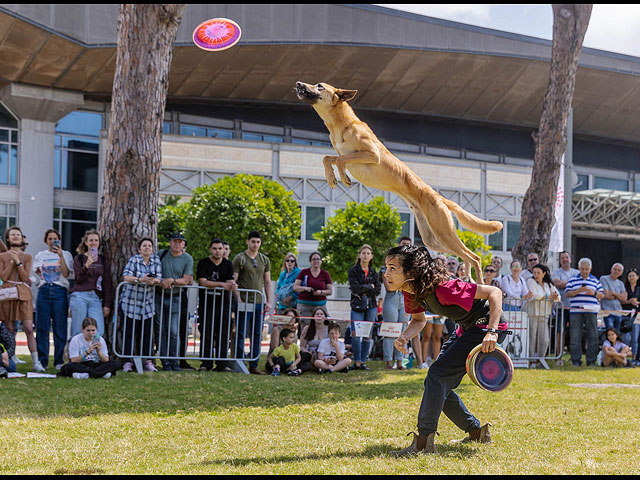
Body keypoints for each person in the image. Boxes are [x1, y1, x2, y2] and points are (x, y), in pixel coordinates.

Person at [385, 245, 507, 455]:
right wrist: (405, 336)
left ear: (411, 272)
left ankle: (423, 442)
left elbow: (494, 293)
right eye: (386, 267)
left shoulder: (445, 287)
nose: (386, 273)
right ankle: (478, 432)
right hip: (467, 328)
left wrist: (492, 332)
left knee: (436, 376)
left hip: (486, 328)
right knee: (438, 384)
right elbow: (418, 320)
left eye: (393, 268)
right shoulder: (410, 290)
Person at [0, 227, 41, 371]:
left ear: (22, 238)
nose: (16, 237)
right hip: (7, 293)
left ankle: (37, 362)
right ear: (8, 239)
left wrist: (18, 262)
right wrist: (11, 261)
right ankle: (10, 359)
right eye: (13, 235)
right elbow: (3, 277)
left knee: (29, 328)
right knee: (10, 328)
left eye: (18, 234)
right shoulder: (2, 256)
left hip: (23, 293)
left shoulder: (27, 256)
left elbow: (24, 277)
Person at [32, 228, 74, 371]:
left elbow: (66, 273)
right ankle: (43, 361)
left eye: (55, 239)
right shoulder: (40, 255)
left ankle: (58, 360)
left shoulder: (66, 254)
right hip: (44, 289)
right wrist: (46, 269)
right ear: (46, 240)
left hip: (59, 290)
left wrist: (60, 256)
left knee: (59, 327)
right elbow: (37, 271)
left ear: (59, 240)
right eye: (50, 239)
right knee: (42, 327)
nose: (52, 241)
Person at [233, 231, 272, 375]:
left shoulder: (264, 260)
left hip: (258, 302)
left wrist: (268, 300)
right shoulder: (240, 258)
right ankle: (239, 362)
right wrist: (238, 298)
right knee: (241, 332)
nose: (255, 245)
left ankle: (254, 364)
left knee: (257, 333)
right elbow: (234, 281)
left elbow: (267, 281)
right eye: (253, 241)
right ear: (247, 242)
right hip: (244, 301)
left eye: (258, 242)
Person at [120, 238, 163, 373]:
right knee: (129, 334)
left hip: (147, 305)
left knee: (146, 334)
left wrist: (153, 281)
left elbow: (159, 277)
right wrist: (140, 279)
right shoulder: (134, 260)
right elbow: (126, 276)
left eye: (149, 246)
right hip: (130, 304)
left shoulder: (156, 260)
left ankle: (148, 362)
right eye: (144, 246)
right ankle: (127, 362)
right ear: (139, 249)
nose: (147, 248)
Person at [196, 238, 236, 372]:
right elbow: (203, 282)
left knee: (223, 333)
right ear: (210, 249)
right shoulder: (203, 263)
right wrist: (221, 284)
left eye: (220, 249)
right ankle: (206, 363)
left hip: (224, 304)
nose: (218, 251)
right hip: (206, 304)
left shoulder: (228, 264)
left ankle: (222, 364)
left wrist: (227, 285)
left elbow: (230, 283)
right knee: (207, 332)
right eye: (215, 248)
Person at [156, 232, 194, 372]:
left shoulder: (187, 259)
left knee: (173, 331)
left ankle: (174, 361)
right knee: (160, 331)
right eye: (174, 241)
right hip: (159, 296)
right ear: (170, 243)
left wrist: (171, 280)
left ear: (184, 244)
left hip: (176, 297)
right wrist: (160, 281)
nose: (177, 244)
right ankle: (165, 362)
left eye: (180, 241)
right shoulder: (162, 254)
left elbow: (186, 280)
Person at [69, 230, 113, 337]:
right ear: (86, 242)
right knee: (79, 331)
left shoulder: (102, 260)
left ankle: (94, 353)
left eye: (96, 240)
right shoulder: (79, 258)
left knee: (98, 331)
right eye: (91, 240)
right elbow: (79, 279)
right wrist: (87, 265)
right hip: (79, 296)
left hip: (95, 297)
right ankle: (78, 353)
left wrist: (107, 304)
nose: (93, 242)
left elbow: (107, 282)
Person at [565, 258, 604, 367]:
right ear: (579, 268)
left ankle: (591, 361)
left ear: (590, 268)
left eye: (587, 269)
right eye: (582, 269)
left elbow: (602, 295)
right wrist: (579, 291)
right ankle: (576, 360)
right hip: (576, 311)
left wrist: (594, 293)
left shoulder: (595, 280)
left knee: (593, 335)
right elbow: (567, 294)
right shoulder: (572, 280)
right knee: (575, 336)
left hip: (591, 311)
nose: (585, 271)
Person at [348, 244, 381, 370]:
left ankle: (362, 361)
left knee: (367, 334)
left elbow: (377, 290)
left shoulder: (374, 272)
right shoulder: (354, 271)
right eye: (363, 253)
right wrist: (369, 287)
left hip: (371, 306)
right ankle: (356, 361)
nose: (366, 255)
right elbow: (354, 287)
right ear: (359, 255)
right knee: (356, 334)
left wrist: (364, 288)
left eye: (368, 253)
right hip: (357, 306)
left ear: (371, 256)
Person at [381, 237, 412, 370]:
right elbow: (390, 287)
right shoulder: (388, 264)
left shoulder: (411, 266)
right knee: (390, 330)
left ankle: (400, 362)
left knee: (403, 331)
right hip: (392, 299)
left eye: (408, 245)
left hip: (405, 298)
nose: (405, 246)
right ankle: (388, 361)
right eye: (403, 244)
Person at [525, 264, 560, 366]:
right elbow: (534, 295)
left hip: (544, 314)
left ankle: (541, 359)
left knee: (545, 339)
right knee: (532, 337)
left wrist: (554, 296)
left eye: (538, 273)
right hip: (533, 313)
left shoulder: (548, 284)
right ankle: (530, 360)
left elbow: (558, 296)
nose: (536, 275)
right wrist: (548, 296)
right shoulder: (530, 281)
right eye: (534, 272)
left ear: (544, 273)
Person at [551, 251, 580, 365]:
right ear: (560, 260)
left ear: (570, 259)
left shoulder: (577, 272)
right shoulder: (556, 272)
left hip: (575, 308)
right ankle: (559, 358)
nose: (565, 259)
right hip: (561, 307)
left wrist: (567, 284)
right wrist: (573, 285)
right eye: (562, 258)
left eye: (566, 257)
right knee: (560, 332)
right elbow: (557, 284)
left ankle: (574, 358)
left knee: (575, 333)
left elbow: (578, 285)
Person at [293, 252, 333, 330]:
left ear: (321, 261)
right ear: (310, 261)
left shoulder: (325, 274)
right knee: (306, 327)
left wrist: (320, 292)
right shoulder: (304, 272)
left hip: (320, 306)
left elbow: (330, 291)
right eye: (313, 259)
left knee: (324, 326)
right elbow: (295, 287)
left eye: (318, 259)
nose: (316, 261)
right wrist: (305, 288)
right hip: (304, 305)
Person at [299, 306, 330, 373]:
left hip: (325, 355)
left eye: (321, 314)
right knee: (304, 357)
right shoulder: (307, 328)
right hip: (310, 355)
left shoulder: (329, 329)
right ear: (313, 317)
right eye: (317, 314)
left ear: (325, 317)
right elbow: (302, 346)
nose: (319, 316)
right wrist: (308, 352)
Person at [600, 263, 627, 332]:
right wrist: (619, 296)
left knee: (617, 335)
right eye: (615, 269)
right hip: (607, 312)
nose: (616, 271)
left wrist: (613, 293)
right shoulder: (604, 278)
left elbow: (624, 299)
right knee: (610, 333)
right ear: (611, 269)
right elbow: (606, 295)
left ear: (621, 273)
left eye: (619, 270)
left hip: (618, 312)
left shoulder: (621, 283)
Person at [622, 268, 640, 365]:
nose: (631, 277)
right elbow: (621, 300)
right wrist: (629, 301)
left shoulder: (639, 288)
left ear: (637, 277)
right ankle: (624, 357)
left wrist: (637, 302)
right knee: (625, 338)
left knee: (635, 338)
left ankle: (634, 358)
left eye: (633, 275)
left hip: (637, 316)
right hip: (625, 315)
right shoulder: (624, 288)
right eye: (629, 276)